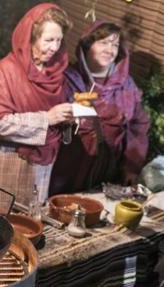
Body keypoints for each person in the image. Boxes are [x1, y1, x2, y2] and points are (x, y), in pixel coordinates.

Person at [0, 3, 73, 211]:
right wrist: (46, 119)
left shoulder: (54, 73)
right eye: (48, 40)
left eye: (58, 40)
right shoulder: (7, 71)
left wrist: (67, 118)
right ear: (31, 37)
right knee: (2, 218)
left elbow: (58, 117)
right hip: (6, 160)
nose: (54, 48)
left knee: (31, 218)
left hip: (42, 163)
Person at [49, 21, 150, 195]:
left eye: (115, 45)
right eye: (103, 42)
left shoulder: (126, 86)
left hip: (110, 170)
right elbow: (50, 122)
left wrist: (131, 166)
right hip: (69, 170)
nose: (109, 50)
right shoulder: (67, 80)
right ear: (88, 46)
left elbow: (138, 128)